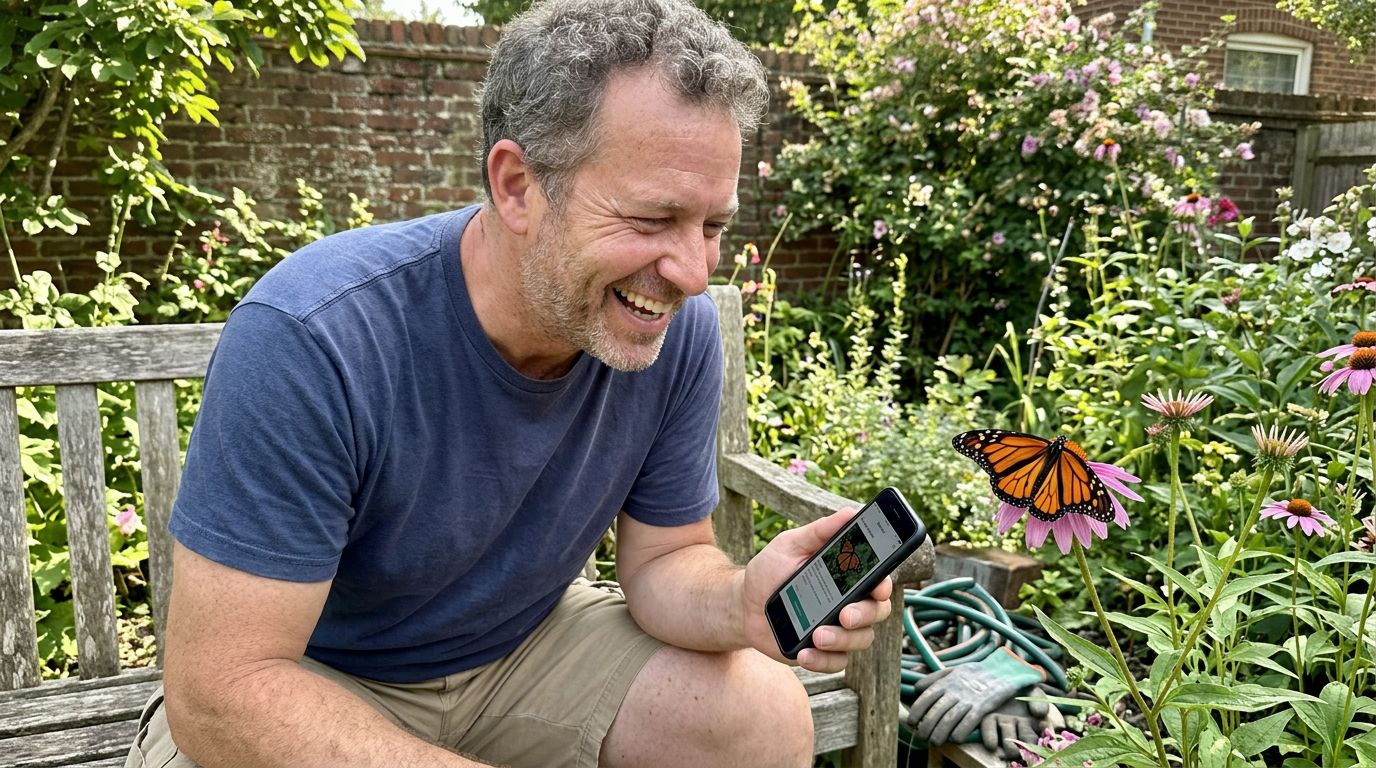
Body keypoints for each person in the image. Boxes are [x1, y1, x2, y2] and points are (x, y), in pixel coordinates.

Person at [125, 2, 894, 766]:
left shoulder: (667, 326)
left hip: (522, 652)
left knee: (761, 717)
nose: (692, 272)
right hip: (314, 678)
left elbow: (664, 562)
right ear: (518, 185)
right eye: (654, 217)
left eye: (713, 226)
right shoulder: (315, 335)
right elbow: (225, 687)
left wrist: (742, 602)